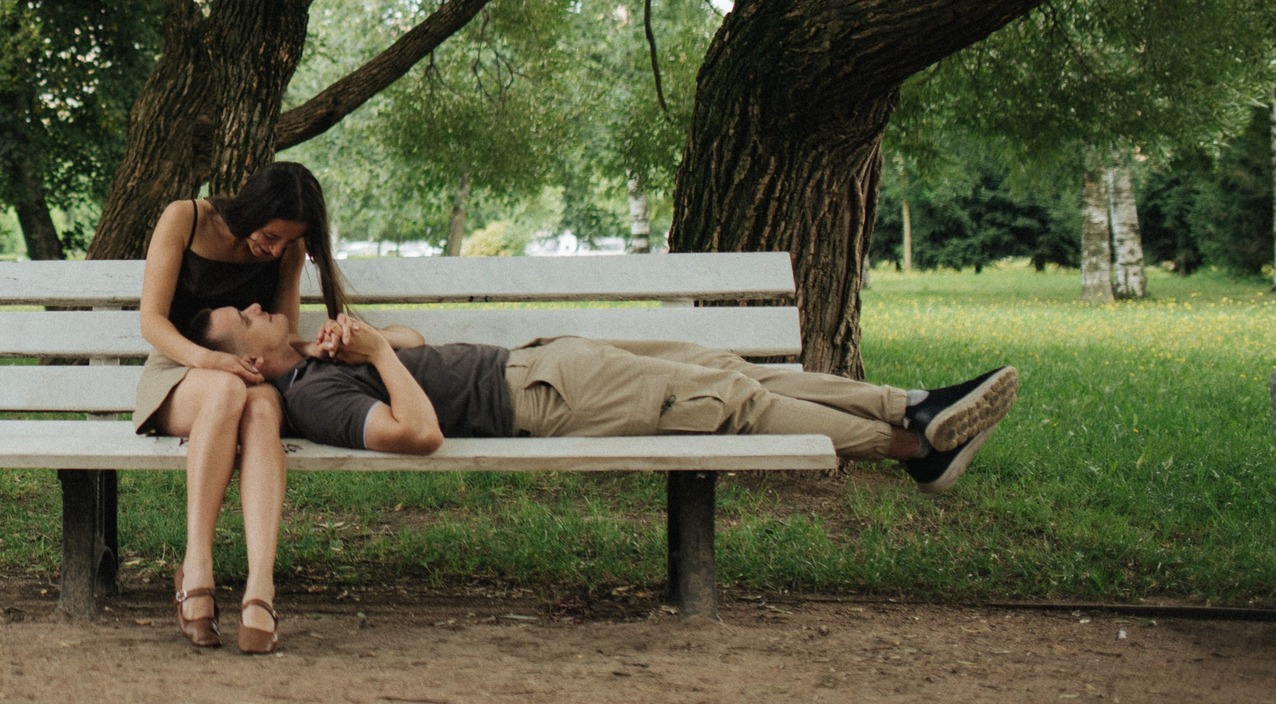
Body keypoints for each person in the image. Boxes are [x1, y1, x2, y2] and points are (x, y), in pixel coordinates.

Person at [188, 304, 1017, 493]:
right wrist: (363, 356)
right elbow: (417, 431)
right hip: (539, 396)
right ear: (248, 366)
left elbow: (410, 348)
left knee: (731, 368)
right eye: (249, 319)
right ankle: (917, 450)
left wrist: (368, 335)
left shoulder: (320, 353)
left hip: (541, 360)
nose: (265, 308)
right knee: (733, 402)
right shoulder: (312, 395)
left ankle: (908, 402)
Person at [132, 162, 345, 655]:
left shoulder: (287, 248)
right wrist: (211, 361)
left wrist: (298, 349)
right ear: (250, 209)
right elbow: (152, 320)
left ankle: (260, 588)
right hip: (180, 368)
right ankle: (198, 564)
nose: (273, 250)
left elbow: (282, 331)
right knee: (226, 392)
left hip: (249, 375)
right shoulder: (185, 217)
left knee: (264, 412)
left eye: (286, 242)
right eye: (269, 235)